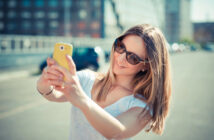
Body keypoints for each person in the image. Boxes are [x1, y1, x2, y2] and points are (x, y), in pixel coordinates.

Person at [36, 24, 172, 140]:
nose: (120, 58)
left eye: (133, 58)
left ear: (146, 66)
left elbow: (117, 133)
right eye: (121, 47)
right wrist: (44, 84)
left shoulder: (141, 106)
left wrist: (82, 100)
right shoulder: (86, 78)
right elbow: (55, 95)